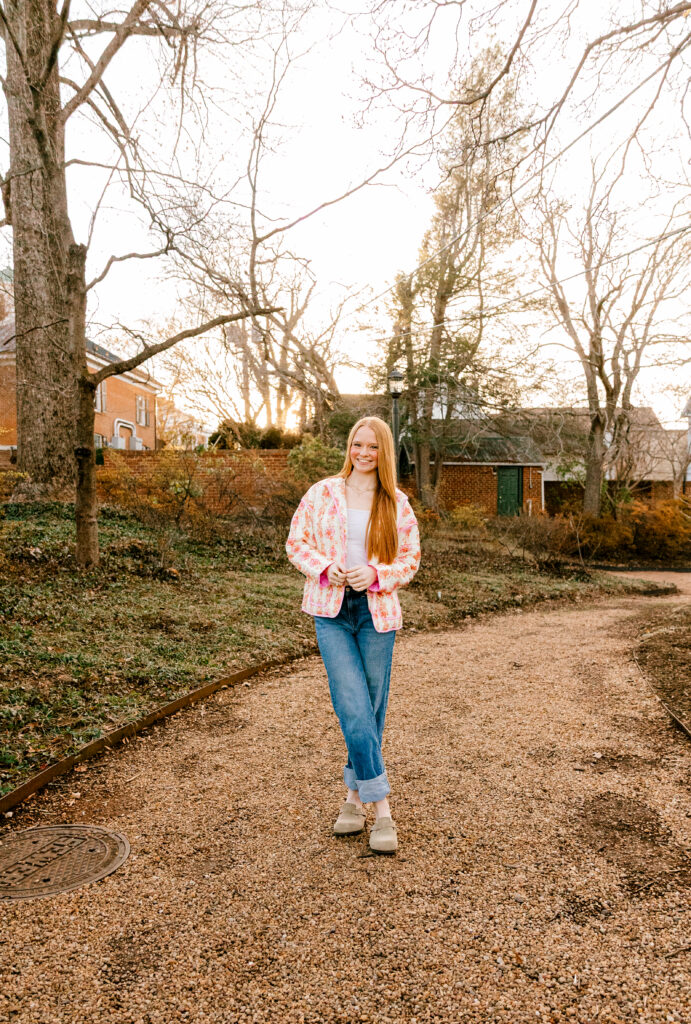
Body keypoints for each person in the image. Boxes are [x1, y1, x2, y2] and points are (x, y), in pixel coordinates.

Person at [286, 416, 421, 854]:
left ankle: (351, 799)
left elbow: (410, 561)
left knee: (371, 707)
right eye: (356, 445)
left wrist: (376, 573)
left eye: (372, 447)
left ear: (384, 452)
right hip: (331, 611)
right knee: (351, 703)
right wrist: (327, 568)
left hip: (377, 613)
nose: (363, 453)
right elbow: (296, 543)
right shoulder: (322, 492)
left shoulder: (396, 502)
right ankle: (381, 809)